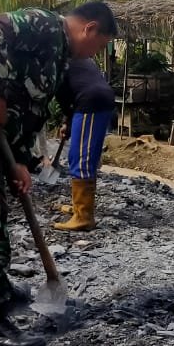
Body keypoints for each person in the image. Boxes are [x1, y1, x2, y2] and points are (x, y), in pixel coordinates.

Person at [0, 1, 116, 346]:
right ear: (90, 29)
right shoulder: (45, 25)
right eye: (100, 45)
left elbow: (28, 109)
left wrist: (19, 162)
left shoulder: (59, 55)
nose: (95, 54)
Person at [53, 56, 115, 231]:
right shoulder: (76, 56)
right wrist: (68, 122)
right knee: (80, 156)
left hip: (91, 101)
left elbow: (62, 94)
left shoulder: (56, 59)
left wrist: (67, 118)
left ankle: (83, 217)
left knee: (82, 157)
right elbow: (74, 89)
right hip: (94, 99)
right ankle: (79, 208)